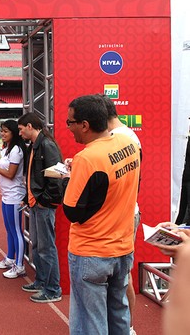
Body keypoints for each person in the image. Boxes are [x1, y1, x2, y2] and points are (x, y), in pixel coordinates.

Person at [62, 94, 141, 335]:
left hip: (92, 251)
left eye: (70, 123)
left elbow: (72, 211)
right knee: (119, 314)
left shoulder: (87, 157)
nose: (69, 128)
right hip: (123, 246)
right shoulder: (129, 143)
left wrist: (71, 179)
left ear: (84, 125)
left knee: (90, 321)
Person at [100, 94, 142, 335]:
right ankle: (123, 325)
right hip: (124, 213)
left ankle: (127, 326)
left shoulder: (120, 138)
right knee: (120, 277)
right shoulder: (125, 135)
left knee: (121, 277)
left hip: (122, 215)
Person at [17, 112, 63, 303]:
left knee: (46, 247)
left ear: (29, 126)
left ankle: (53, 289)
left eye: (20, 129)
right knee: (37, 245)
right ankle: (42, 281)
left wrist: (43, 200)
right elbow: (33, 176)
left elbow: (56, 176)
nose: (20, 134)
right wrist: (29, 199)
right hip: (37, 203)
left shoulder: (46, 145)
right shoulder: (35, 146)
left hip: (43, 204)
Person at [0, 120, 27, 279]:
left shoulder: (16, 150)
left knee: (16, 230)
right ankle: (10, 258)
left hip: (15, 195)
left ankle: (20, 265)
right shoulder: (7, 149)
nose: (2, 134)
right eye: (1, 131)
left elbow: (10, 174)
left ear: (14, 133)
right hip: (7, 194)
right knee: (9, 229)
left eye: (5, 131)